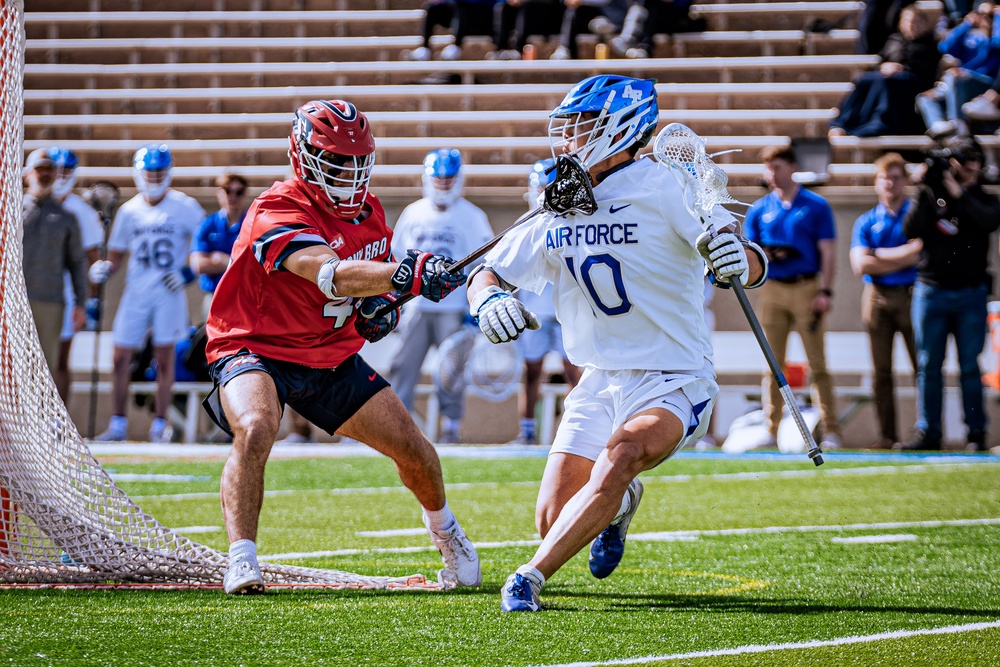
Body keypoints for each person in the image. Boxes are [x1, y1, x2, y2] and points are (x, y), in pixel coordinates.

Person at [464, 75, 767, 611]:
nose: (570, 139)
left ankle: (528, 579)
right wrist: (488, 300)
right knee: (554, 519)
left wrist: (742, 260)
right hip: (599, 379)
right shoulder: (560, 199)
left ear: (618, 127)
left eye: (581, 126)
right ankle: (621, 503)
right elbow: (488, 271)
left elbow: (738, 252)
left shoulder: (666, 185)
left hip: (673, 375)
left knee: (623, 452)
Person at [201, 100, 480, 594]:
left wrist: (387, 305)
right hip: (255, 346)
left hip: (328, 353)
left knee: (416, 451)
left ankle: (449, 535)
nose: (349, 173)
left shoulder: (370, 212)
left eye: (356, 161)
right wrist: (408, 273)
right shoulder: (276, 208)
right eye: (336, 161)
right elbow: (330, 274)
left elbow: (372, 295)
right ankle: (242, 556)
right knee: (257, 425)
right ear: (303, 156)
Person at [89, 144, 205, 443]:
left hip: (168, 290)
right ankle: (118, 423)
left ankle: (160, 423)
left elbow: (202, 244)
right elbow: (116, 255)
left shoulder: (185, 206)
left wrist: (187, 273)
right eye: (149, 172)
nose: (153, 178)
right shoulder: (129, 211)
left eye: (159, 172)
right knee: (119, 358)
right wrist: (104, 268)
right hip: (136, 290)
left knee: (164, 358)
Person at [899, 135, 1000, 451]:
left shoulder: (985, 197)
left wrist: (962, 194)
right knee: (929, 365)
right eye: (962, 160)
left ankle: (975, 433)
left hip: (971, 292)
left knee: (970, 366)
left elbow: (990, 221)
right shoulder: (932, 195)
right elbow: (910, 229)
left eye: (974, 160)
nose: (969, 166)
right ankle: (928, 431)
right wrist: (926, 189)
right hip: (932, 290)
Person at [387, 148, 494, 444]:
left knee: (451, 371)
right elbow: (396, 260)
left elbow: (482, 264)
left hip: (453, 306)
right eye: (439, 179)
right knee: (403, 367)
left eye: (449, 179)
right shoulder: (414, 212)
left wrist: (474, 308)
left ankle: (451, 427)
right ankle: (396, 427)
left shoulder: (472, 216)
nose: (443, 185)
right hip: (416, 304)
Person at [744, 145, 842, 451]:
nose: (772, 174)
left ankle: (830, 429)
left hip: (806, 286)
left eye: (778, 167)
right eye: (768, 168)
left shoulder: (815, 206)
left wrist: (825, 290)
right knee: (772, 362)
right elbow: (750, 252)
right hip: (773, 287)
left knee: (818, 363)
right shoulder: (760, 208)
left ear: (793, 167)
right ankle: (770, 429)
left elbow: (827, 251)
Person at [849, 153, 921, 448]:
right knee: (881, 372)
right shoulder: (867, 221)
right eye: (884, 177)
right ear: (876, 183)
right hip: (877, 296)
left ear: (905, 181)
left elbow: (920, 251)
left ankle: (928, 430)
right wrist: (902, 256)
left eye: (896, 177)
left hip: (912, 294)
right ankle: (887, 435)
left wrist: (878, 256)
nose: (890, 183)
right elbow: (860, 265)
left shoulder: (916, 215)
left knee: (923, 368)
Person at [509, 159, 581, 446]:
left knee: (576, 373)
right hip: (534, 310)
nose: (543, 193)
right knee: (531, 370)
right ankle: (527, 429)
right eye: (540, 187)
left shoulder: (572, 220)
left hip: (567, 312)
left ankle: (576, 432)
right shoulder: (523, 225)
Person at [21, 148, 88, 376]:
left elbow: (77, 263)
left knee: (44, 370)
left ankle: (37, 414)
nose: (44, 175)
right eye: (39, 170)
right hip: (14, 302)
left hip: (51, 301)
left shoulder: (65, 217)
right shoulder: (12, 211)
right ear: (28, 174)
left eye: (49, 169)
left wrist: (81, 302)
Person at [47, 147, 106, 403]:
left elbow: (93, 257)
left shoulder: (81, 211)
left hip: (66, 293)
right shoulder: (27, 204)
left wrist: (90, 299)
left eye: (66, 170)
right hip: (32, 292)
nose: (60, 175)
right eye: (55, 169)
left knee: (59, 359)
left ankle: (57, 421)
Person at [829, 6, 941, 138]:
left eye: (916, 22)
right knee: (865, 78)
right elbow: (881, 61)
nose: (912, 25)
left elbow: (928, 69)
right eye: (908, 21)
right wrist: (884, 67)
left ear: (925, 24)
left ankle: (879, 121)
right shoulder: (894, 41)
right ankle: (842, 123)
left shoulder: (931, 44)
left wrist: (902, 68)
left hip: (913, 81)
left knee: (888, 81)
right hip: (888, 76)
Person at [915, 3, 1000, 139]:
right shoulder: (971, 39)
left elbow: (998, 42)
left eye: (990, 15)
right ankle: (938, 124)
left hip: (986, 84)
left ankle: (959, 123)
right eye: (980, 14)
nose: (985, 18)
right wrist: (966, 24)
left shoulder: (995, 40)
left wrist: (998, 17)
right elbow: (945, 46)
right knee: (926, 97)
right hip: (959, 83)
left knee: (953, 76)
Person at [190, 172, 249, 320]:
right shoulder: (208, 224)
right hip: (214, 296)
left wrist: (222, 261)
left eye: (239, 192)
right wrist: (235, 263)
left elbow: (253, 266)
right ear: (219, 193)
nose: (233, 196)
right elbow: (198, 265)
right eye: (228, 190)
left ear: (245, 193)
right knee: (210, 340)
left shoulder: (252, 223)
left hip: (245, 299)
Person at [405, 0, 499, 61]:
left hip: (484, 17)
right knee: (432, 8)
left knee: (461, 5)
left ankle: (455, 47)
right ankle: (424, 49)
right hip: (458, 15)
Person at [490, 0, 564, 60]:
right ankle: (501, 50)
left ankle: (517, 50)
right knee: (502, 7)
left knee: (527, 7)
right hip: (522, 9)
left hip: (547, 12)